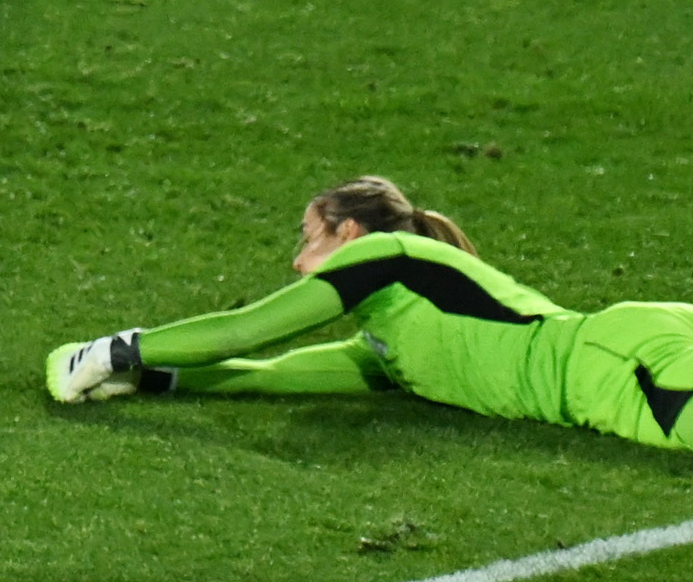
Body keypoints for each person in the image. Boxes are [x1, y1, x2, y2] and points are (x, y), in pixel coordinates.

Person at [45, 175, 693, 454]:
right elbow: (266, 371)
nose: (298, 262)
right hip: (618, 358)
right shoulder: (392, 345)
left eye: (306, 237)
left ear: (347, 231)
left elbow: (244, 329)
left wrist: (109, 350)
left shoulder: (389, 253)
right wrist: (150, 377)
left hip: (618, 363)